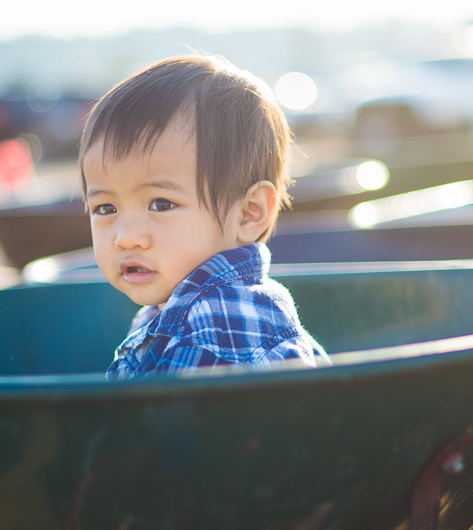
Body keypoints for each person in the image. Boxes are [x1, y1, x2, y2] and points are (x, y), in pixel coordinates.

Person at [79, 55, 330, 378]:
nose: (125, 236)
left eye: (161, 204)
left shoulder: (212, 330)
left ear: (248, 213)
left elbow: (164, 427)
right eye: (106, 209)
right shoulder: (178, 309)